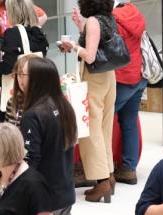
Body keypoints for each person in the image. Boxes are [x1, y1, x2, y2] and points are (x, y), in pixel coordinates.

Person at [12, 57, 78, 215]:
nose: (19, 80)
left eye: (23, 75)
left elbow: (31, 160)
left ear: (38, 79)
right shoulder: (64, 106)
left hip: (45, 198)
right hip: (65, 192)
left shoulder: (33, 115)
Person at [59, 0, 118, 203]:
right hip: (109, 75)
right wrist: (80, 27)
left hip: (94, 77)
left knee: (91, 129)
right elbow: (99, 41)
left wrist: (73, 46)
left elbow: (90, 56)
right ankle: (109, 176)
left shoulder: (94, 21)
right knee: (105, 127)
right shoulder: (108, 19)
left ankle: (101, 182)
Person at [111, 0, 146, 185]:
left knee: (101, 121)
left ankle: (101, 170)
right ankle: (128, 169)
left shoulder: (113, 20)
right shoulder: (134, 12)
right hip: (139, 75)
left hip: (122, 77)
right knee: (129, 121)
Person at [0, 0, 48, 75]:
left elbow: (8, 68)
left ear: (13, 12)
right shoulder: (38, 32)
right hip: (38, 79)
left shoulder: (13, 33)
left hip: (22, 82)